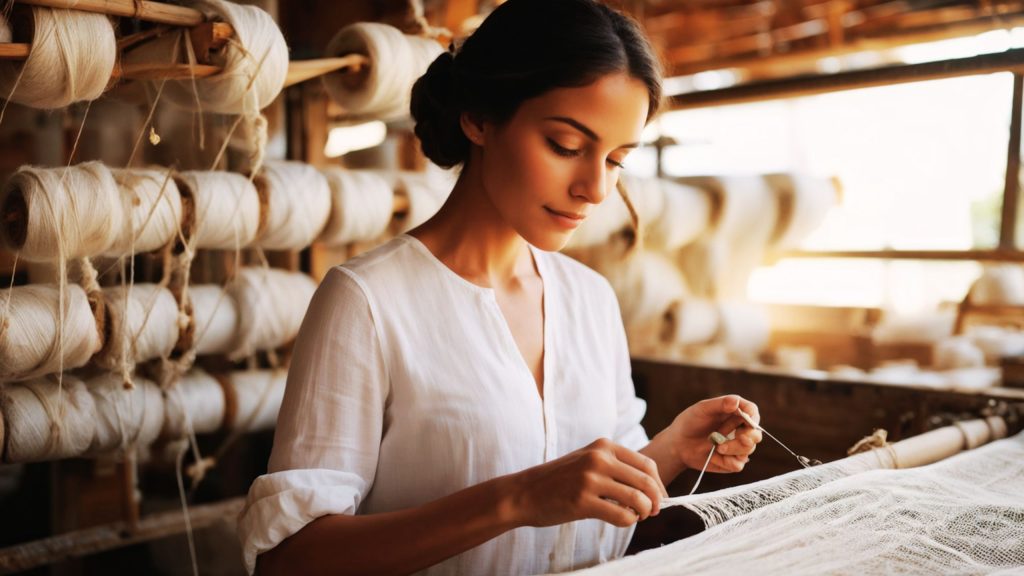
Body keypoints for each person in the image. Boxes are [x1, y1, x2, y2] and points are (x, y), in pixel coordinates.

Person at [237, 0, 762, 574]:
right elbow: (289, 558)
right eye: (566, 146)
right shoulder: (367, 300)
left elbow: (596, 497)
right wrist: (517, 500)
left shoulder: (590, 300)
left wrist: (667, 451)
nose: (594, 188)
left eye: (616, 160)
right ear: (480, 118)